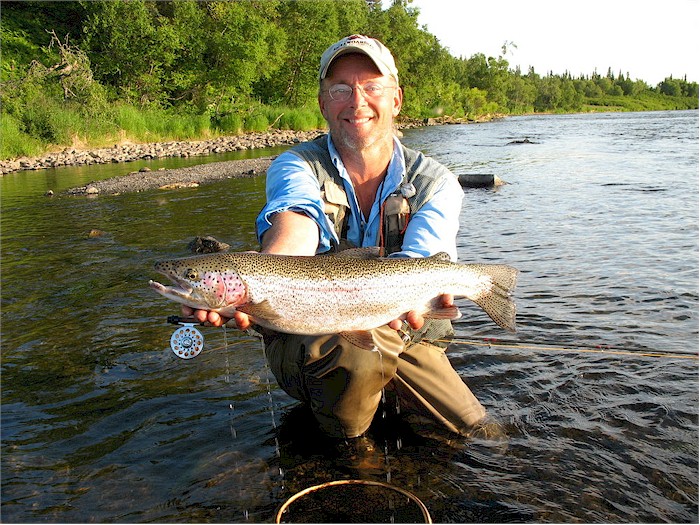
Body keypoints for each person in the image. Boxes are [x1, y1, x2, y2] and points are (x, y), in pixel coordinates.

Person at [185, 35, 487, 438]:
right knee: (352, 363)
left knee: (472, 432)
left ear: (396, 100)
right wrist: (257, 281)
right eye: (341, 89)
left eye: (372, 88)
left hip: (404, 331)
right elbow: (297, 224)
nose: (357, 102)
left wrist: (421, 299)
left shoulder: (438, 183)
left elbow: (422, 260)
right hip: (311, 335)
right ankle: (348, 447)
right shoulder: (295, 166)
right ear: (323, 103)